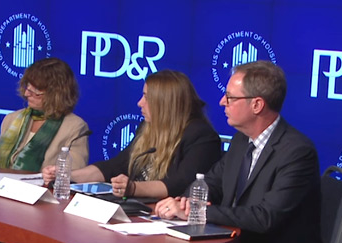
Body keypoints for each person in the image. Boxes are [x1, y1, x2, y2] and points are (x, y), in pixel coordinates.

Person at [155, 61, 324, 243]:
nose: (222, 102)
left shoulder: (297, 152)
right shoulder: (241, 139)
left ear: (257, 105)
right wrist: (187, 201)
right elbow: (212, 181)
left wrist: (196, 211)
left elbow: (264, 218)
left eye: (231, 97)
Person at [42, 69, 220, 199]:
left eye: (147, 98)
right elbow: (116, 165)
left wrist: (133, 188)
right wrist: (67, 175)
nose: (139, 103)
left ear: (165, 104)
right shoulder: (148, 127)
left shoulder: (201, 137)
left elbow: (180, 184)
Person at [0, 57, 89, 172]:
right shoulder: (11, 119)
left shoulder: (75, 127)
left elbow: (73, 175)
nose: (26, 94)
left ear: (56, 94)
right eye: (27, 88)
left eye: (34, 92)